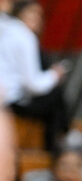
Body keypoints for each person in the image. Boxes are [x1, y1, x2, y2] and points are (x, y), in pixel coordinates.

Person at [0, 1, 70, 153]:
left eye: (39, 15)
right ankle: (57, 146)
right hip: (11, 101)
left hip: (8, 98)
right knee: (56, 95)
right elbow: (33, 85)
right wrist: (55, 75)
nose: (37, 19)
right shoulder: (24, 36)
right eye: (32, 13)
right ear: (19, 12)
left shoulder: (6, 27)